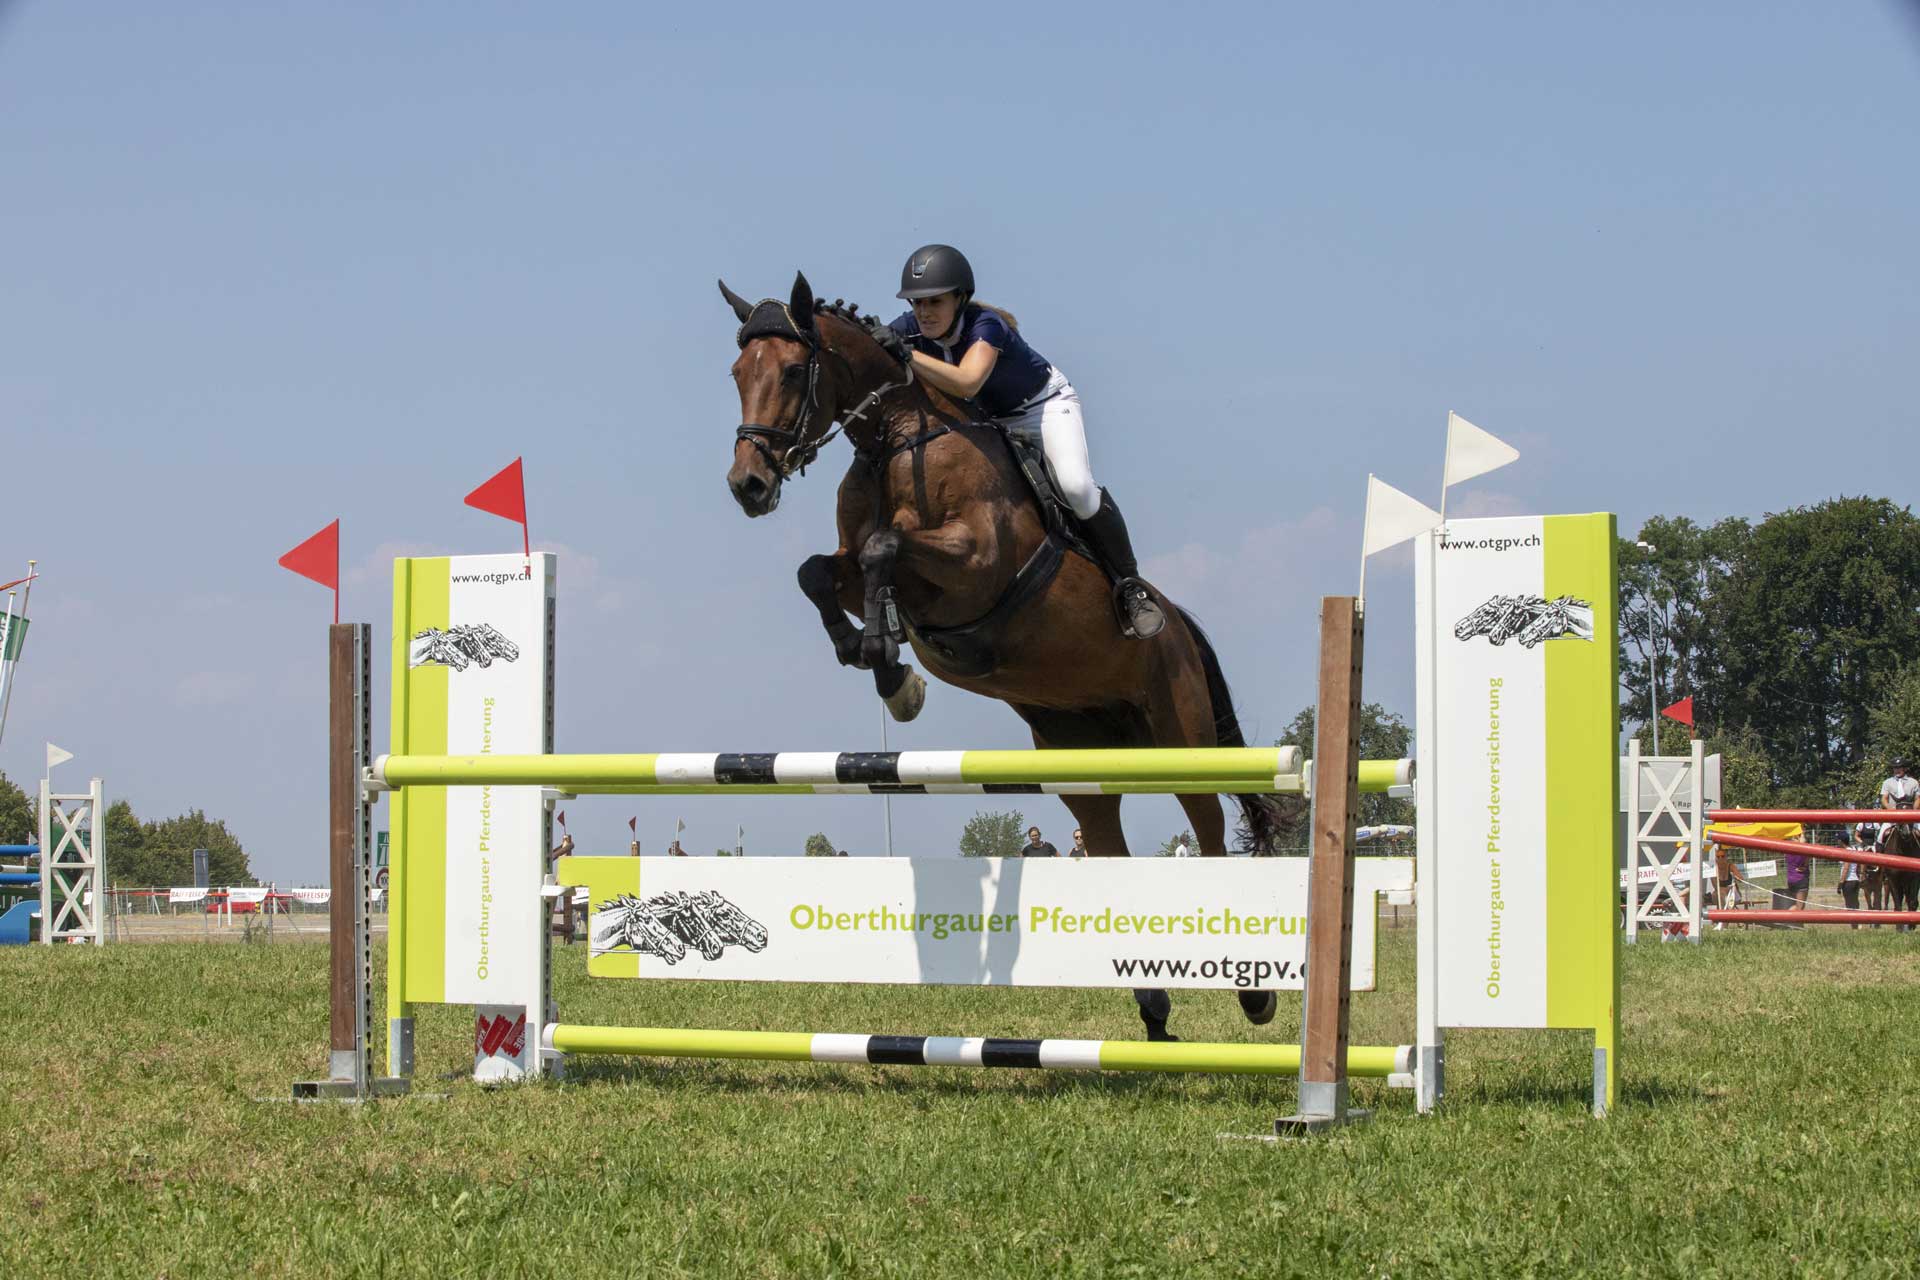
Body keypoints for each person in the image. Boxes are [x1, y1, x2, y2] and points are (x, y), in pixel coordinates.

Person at [879, 244, 1165, 639]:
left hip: (1042, 409)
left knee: (1076, 488)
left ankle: (1131, 587)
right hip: (988, 422)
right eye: (917, 303)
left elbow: (968, 382)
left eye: (935, 301)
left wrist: (906, 355)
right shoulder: (909, 328)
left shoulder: (987, 325)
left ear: (960, 299)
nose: (924, 312)